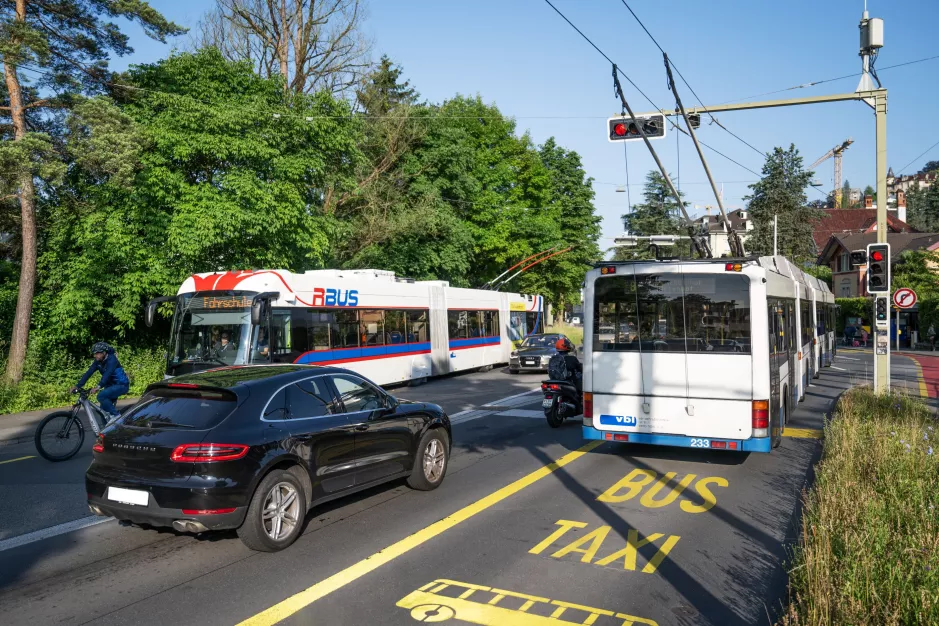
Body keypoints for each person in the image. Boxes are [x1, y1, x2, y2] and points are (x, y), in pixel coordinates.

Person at [70, 342, 130, 422]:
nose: (95, 356)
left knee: (101, 396)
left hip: (121, 385)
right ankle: (107, 432)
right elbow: (89, 373)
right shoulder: (98, 361)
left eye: (97, 353)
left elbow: (107, 374)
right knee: (103, 413)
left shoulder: (112, 359)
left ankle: (117, 416)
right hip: (110, 386)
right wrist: (78, 386)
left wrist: (98, 387)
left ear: (104, 352)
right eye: (94, 354)